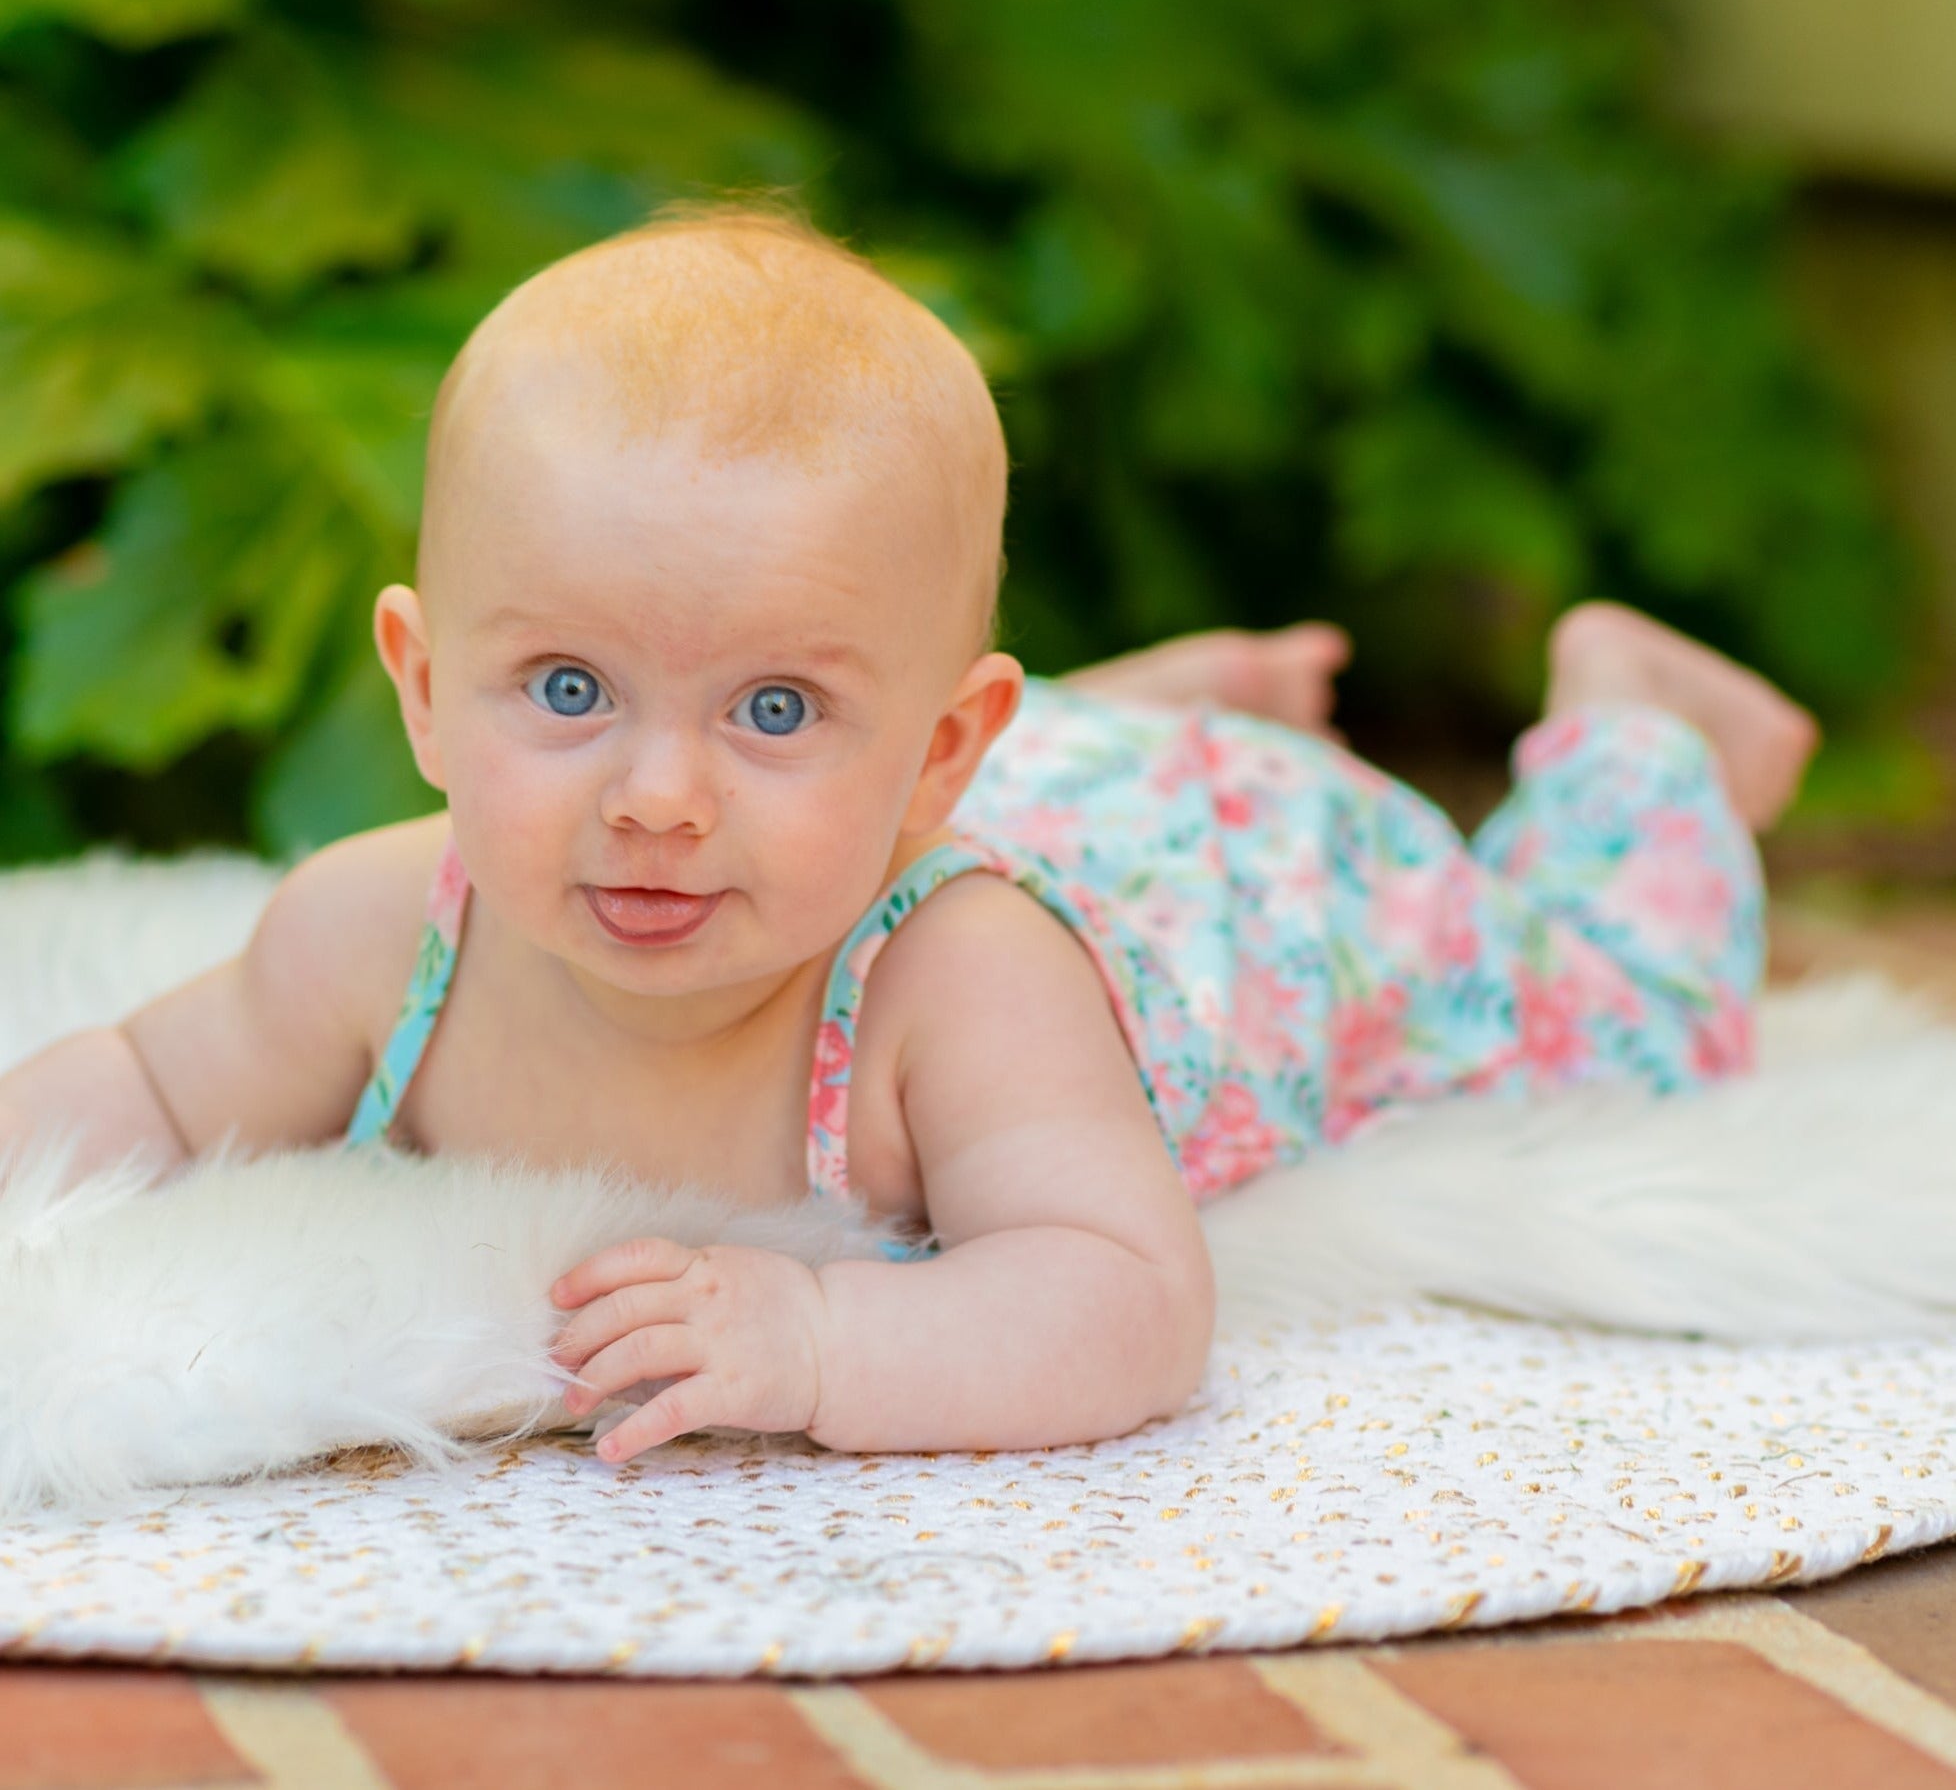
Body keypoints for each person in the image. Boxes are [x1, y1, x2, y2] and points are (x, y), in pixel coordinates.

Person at [0, 210, 1817, 1462]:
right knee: (886, 784)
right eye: (565, 690)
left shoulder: (964, 989)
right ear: (419, 686)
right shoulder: (379, 926)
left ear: (944, 749)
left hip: (1274, 892)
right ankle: (1135, 712)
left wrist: (817, 1344)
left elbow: (1124, 1296)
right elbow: (153, 1091)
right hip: (1046, 787)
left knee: (1610, 1025)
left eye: (774, 708)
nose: (656, 795)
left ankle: (1645, 733)